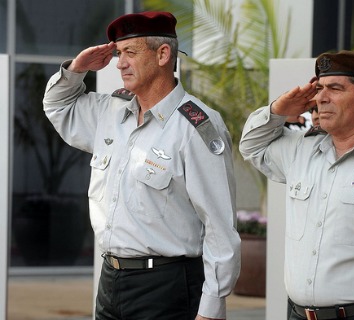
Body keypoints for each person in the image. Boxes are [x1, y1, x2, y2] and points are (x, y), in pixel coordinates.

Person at [43, 11, 241, 320]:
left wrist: (212, 306)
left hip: (168, 287)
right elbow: (58, 106)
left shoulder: (197, 126)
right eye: (119, 53)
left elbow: (219, 223)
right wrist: (77, 69)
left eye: (130, 53)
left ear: (163, 54)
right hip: (111, 280)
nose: (120, 62)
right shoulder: (111, 111)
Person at [239, 50, 354, 320]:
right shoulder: (303, 150)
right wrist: (277, 109)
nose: (320, 98)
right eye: (319, 88)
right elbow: (252, 147)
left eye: (335, 89)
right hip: (299, 314)